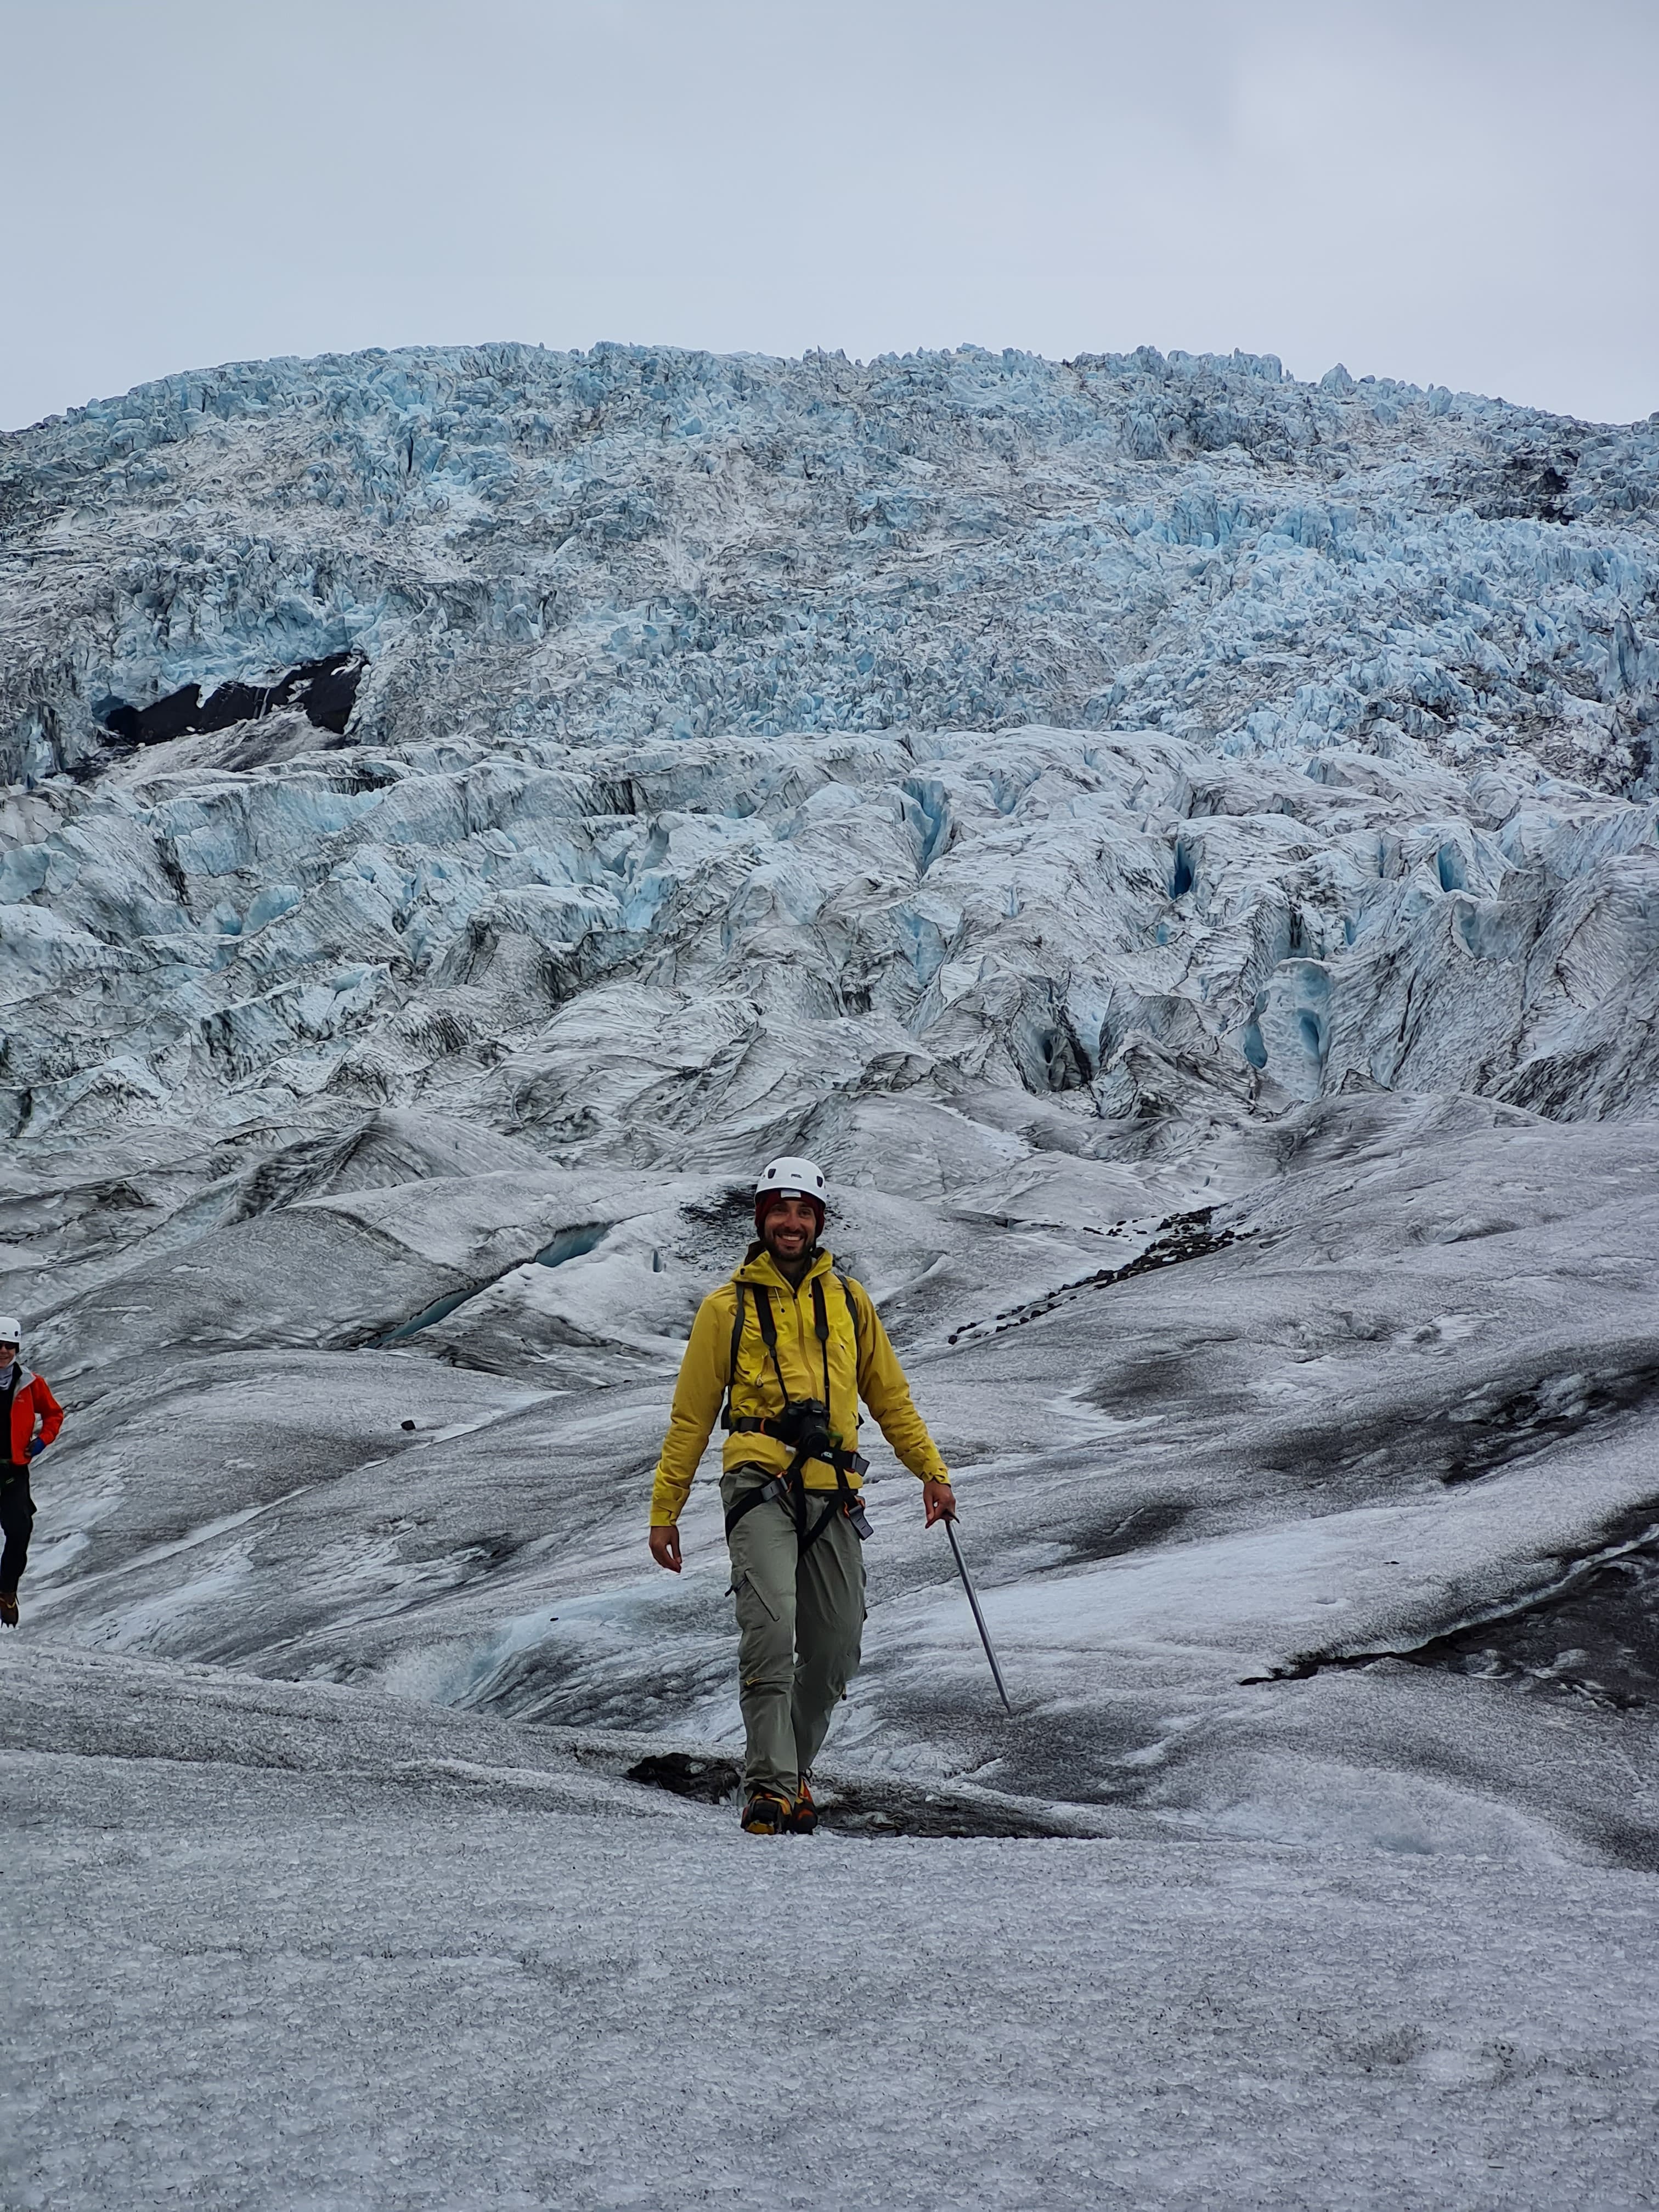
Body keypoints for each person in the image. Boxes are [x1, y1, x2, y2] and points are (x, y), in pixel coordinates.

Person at [648, 1156, 955, 1833]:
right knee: (771, 1627)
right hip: (759, 1485)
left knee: (838, 1643)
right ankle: (770, 1788)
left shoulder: (849, 1301)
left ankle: (794, 1770)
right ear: (762, 1220)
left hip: (836, 1490)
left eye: (804, 1212)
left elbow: (889, 1396)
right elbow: (691, 1418)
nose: (792, 1223)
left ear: (818, 1223)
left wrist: (931, 1472)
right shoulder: (724, 1308)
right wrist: (664, 1512)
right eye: (780, 1211)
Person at [1, 1316, 64, 1628]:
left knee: (20, 1531)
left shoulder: (30, 1383)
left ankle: (6, 1592)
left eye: (9, 1346)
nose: (3, 1351)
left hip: (13, 1470)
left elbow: (54, 1413)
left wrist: (42, 1441)